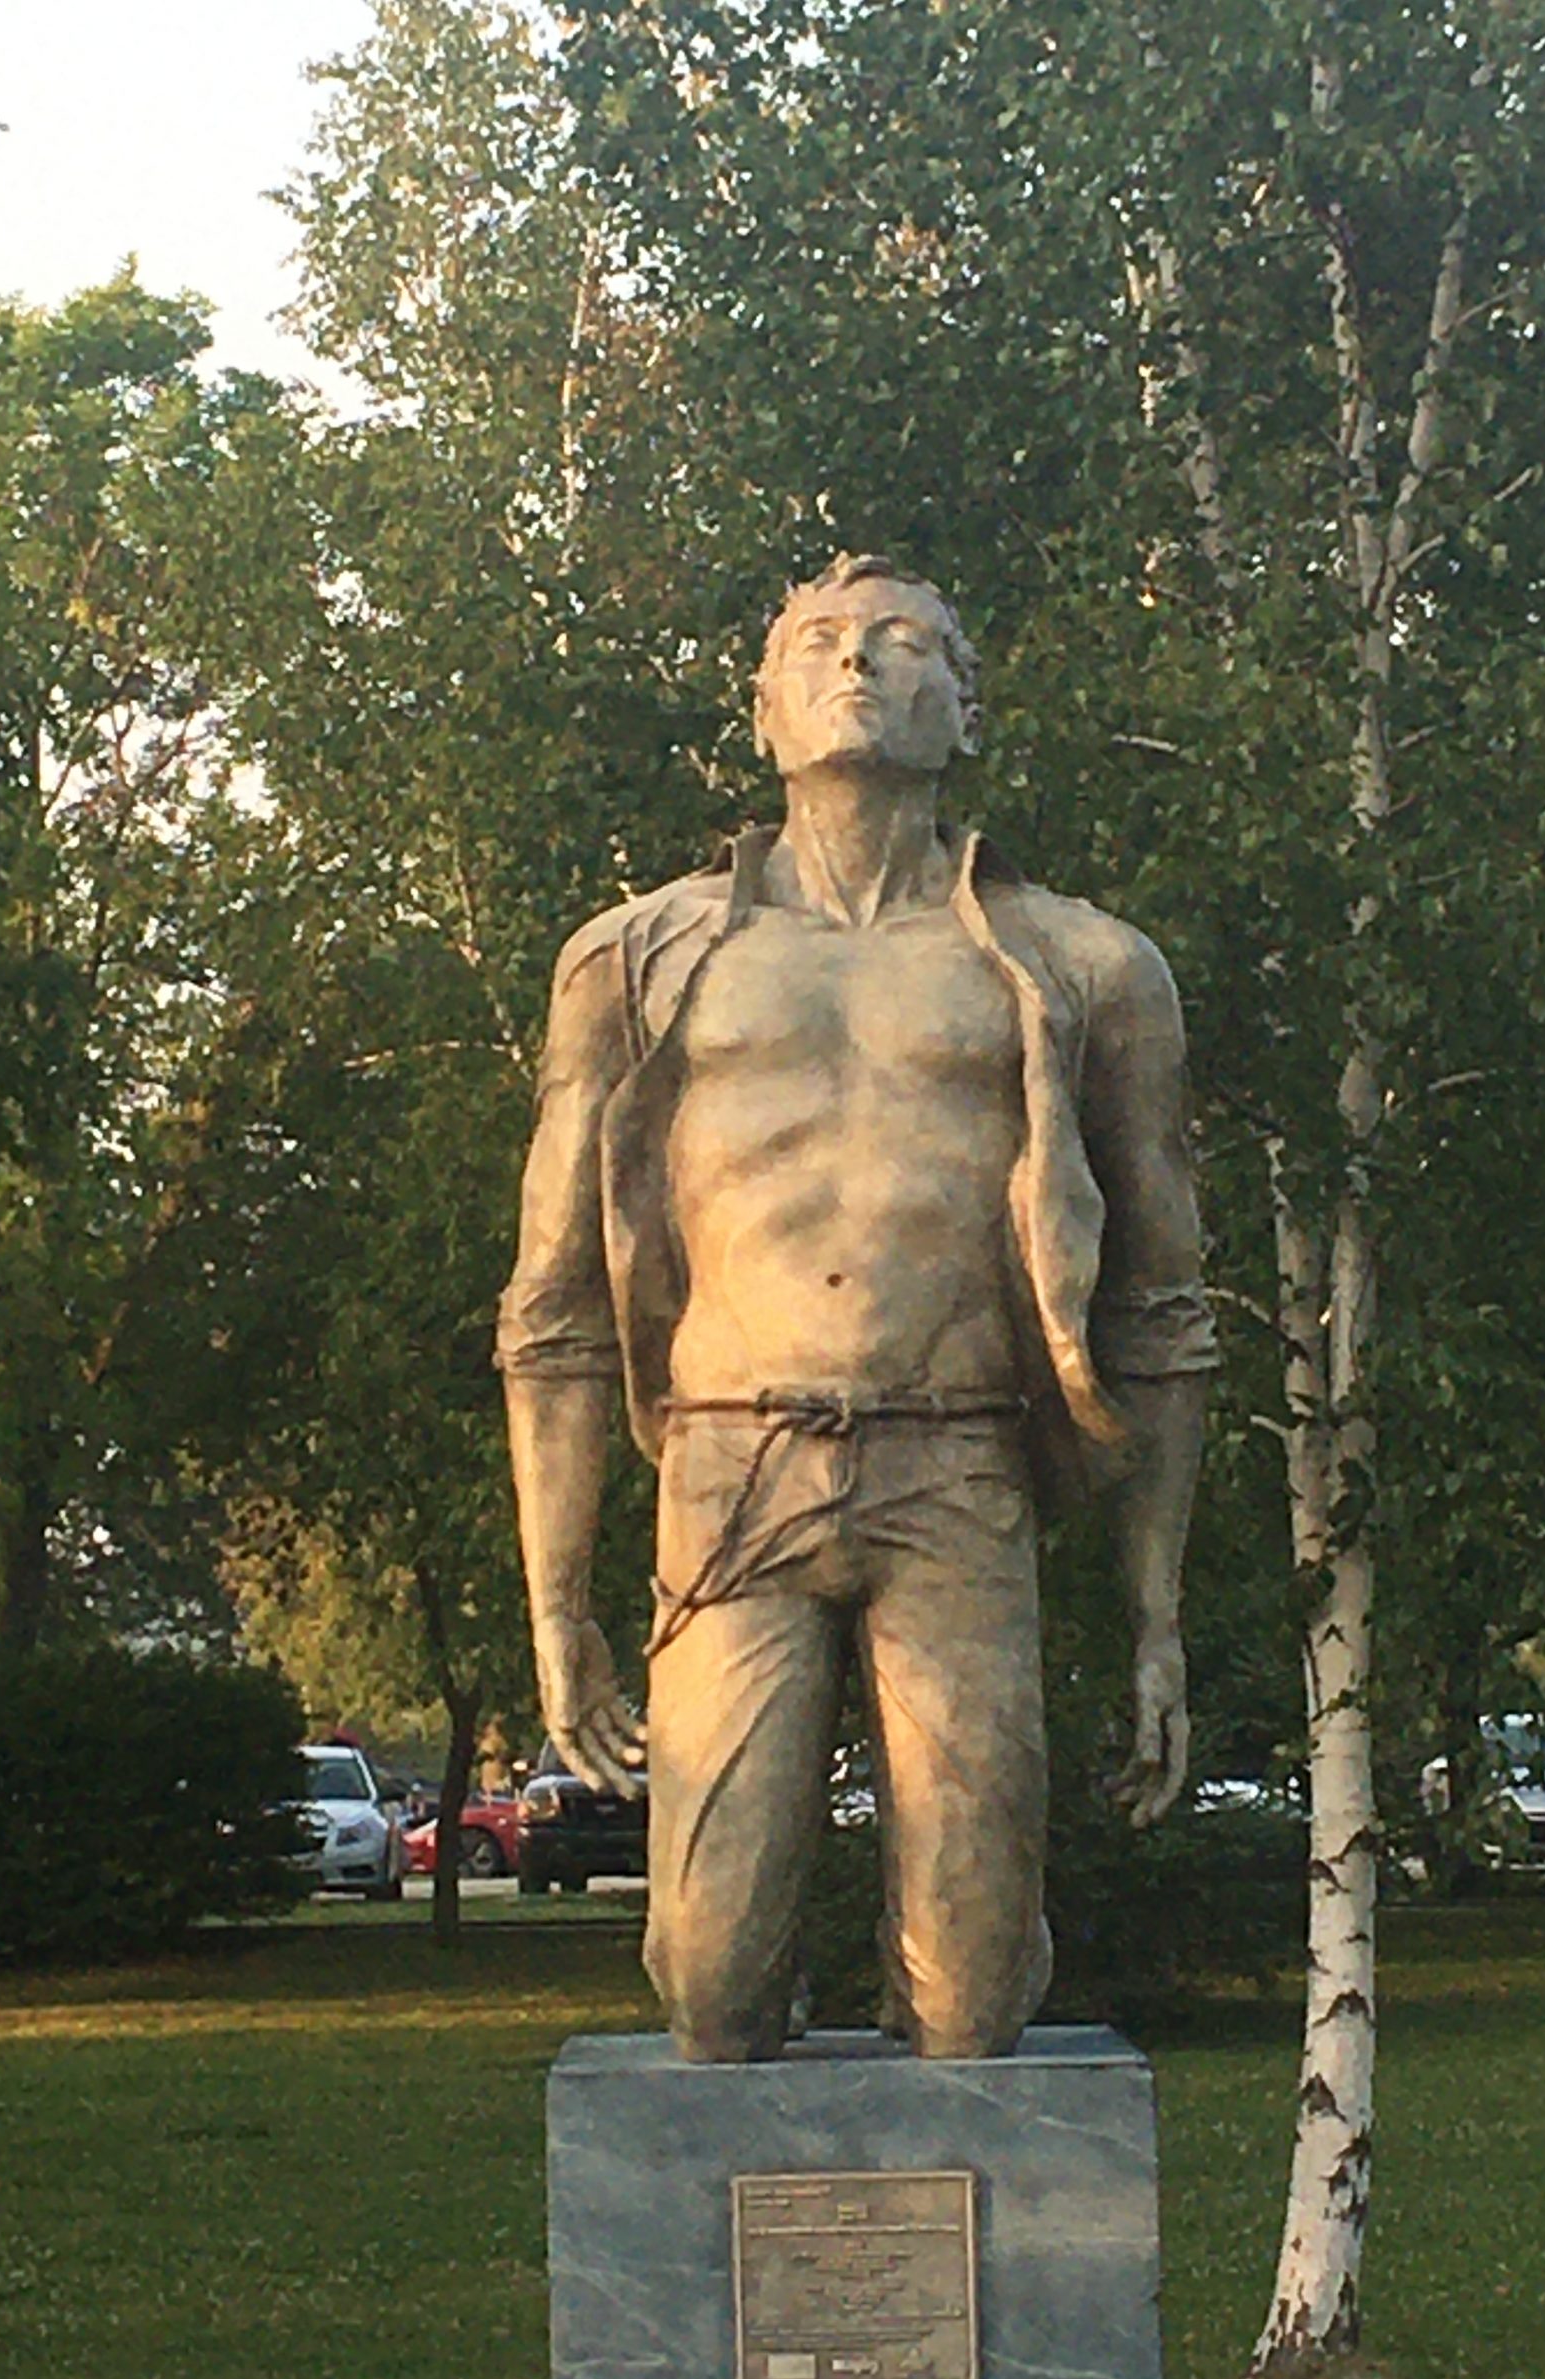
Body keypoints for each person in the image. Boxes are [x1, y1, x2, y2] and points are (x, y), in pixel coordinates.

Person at [498, 554, 1218, 2061]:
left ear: (966, 709)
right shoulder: (636, 961)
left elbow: (1162, 1310)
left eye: (900, 642)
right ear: (763, 712)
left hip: (959, 1470)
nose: (857, 663)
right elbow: (554, 1311)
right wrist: (558, 1605)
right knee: (711, 1990)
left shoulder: (1084, 965)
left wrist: (1158, 1619)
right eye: (819, 643)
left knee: (972, 2003)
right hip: (729, 1469)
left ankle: (953, 2053)